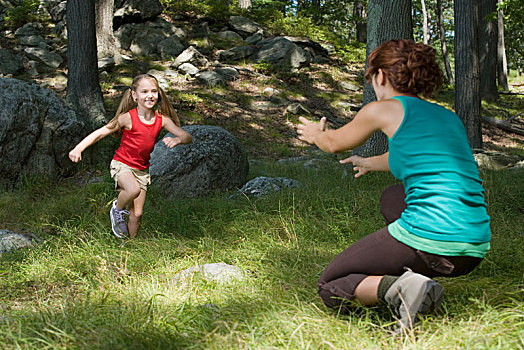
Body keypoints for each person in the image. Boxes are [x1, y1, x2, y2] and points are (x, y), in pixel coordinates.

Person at [297, 39, 491, 331]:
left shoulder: (382, 109)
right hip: (473, 247)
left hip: (434, 237)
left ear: (381, 75)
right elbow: (412, 157)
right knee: (392, 198)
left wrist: (315, 134)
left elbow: (333, 143)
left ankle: (402, 288)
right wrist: (369, 162)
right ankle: (420, 276)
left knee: (331, 284)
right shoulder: (447, 118)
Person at [69, 74, 192, 238]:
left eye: (154, 91)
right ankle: (117, 209)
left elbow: (187, 136)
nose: (150, 95)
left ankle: (129, 245)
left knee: (137, 214)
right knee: (132, 189)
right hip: (122, 165)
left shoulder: (162, 120)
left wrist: (177, 140)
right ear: (134, 95)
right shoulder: (127, 118)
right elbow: (101, 133)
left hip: (142, 170)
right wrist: (78, 148)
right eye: (144, 91)